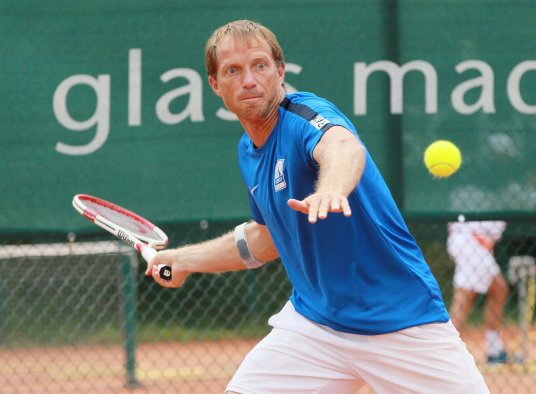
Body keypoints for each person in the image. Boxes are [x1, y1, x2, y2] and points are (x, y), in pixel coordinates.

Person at [146, 19, 490, 393]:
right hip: (315, 327)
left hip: (400, 320)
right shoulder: (249, 152)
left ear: (280, 72)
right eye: (233, 70)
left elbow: (342, 147)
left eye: (260, 65)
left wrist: (332, 190)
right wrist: (183, 260)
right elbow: (266, 239)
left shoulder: (303, 115)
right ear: (215, 84)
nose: (249, 80)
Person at [447, 216, 510, 364]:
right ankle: (451, 354)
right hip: (471, 242)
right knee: (464, 298)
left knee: (499, 289)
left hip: (472, 242)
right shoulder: (495, 195)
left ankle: (494, 349)